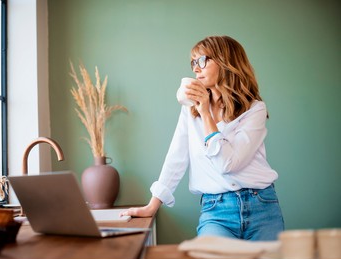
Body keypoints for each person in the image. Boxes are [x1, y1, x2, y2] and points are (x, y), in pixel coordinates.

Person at [121, 35, 284, 241]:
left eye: (202, 61)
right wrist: (152, 205)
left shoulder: (255, 110)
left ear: (226, 62)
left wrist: (206, 113)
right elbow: (177, 156)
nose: (195, 69)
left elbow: (228, 164)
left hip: (262, 207)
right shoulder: (190, 110)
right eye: (193, 63)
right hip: (216, 211)